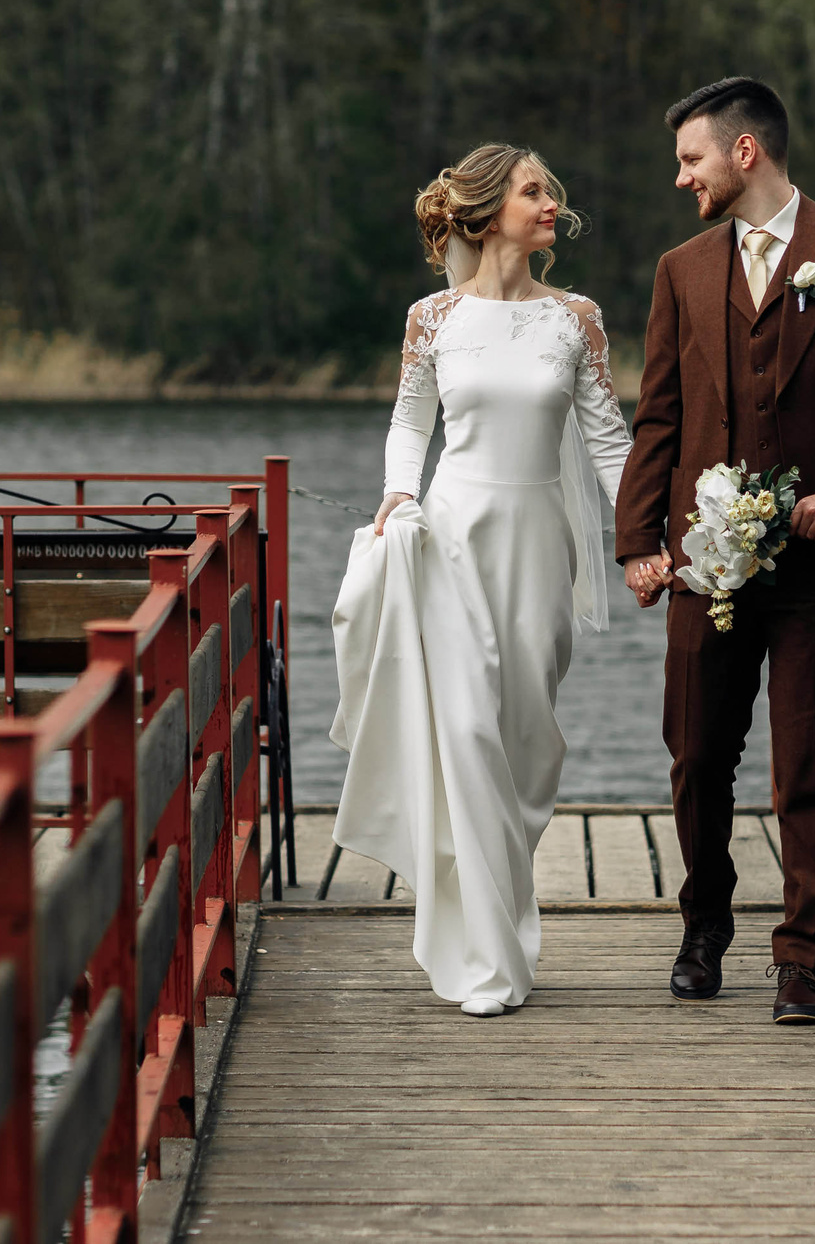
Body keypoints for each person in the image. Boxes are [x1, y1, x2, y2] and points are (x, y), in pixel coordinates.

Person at [614, 78, 815, 1025]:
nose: (682, 178)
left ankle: (802, 960)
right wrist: (638, 541)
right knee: (697, 754)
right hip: (704, 561)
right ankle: (704, 927)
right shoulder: (680, 269)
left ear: (744, 152)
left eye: (691, 158)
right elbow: (659, 414)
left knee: (806, 764)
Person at [329, 145, 632, 1016]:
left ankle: (506, 913)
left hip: (540, 548)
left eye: (550, 191)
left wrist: (650, 534)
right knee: (463, 734)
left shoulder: (576, 319)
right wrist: (397, 496)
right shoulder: (433, 319)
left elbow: (608, 441)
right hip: (452, 537)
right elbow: (408, 423)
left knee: (525, 748)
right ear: (489, 207)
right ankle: (485, 960)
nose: (552, 203)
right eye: (534, 190)